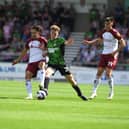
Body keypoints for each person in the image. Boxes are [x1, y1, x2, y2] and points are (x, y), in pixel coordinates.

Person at [83, 16, 125, 100]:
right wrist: (90, 42)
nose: (106, 25)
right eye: (106, 24)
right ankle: (94, 92)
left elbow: (123, 44)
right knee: (98, 73)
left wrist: (115, 52)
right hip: (104, 54)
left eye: (108, 24)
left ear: (112, 24)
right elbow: (99, 40)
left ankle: (111, 92)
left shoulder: (115, 32)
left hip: (112, 55)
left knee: (108, 73)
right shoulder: (103, 31)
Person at [44, 24, 88, 101]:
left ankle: (80, 94)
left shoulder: (60, 40)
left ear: (58, 33)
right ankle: (45, 90)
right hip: (52, 64)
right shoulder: (48, 42)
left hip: (61, 64)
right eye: (52, 32)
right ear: (50, 33)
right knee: (47, 73)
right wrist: (46, 53)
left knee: (71, 80)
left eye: (55, 33)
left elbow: (66, 43)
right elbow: (49, 51)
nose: (54, 34)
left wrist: (69, 42)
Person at [12, 25, 47, 99]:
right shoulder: (29, 41)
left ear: (39, 32)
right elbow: (24, 52)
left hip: (41, 59)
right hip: (32, 61)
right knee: (27, 76)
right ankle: (30, 95)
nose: (33, 34)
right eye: (32, 33)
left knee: (42, 65)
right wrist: (18, 60)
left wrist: (45, 51)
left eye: (34, 33)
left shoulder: (43, 40)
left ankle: (41, 84)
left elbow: (50, 50)